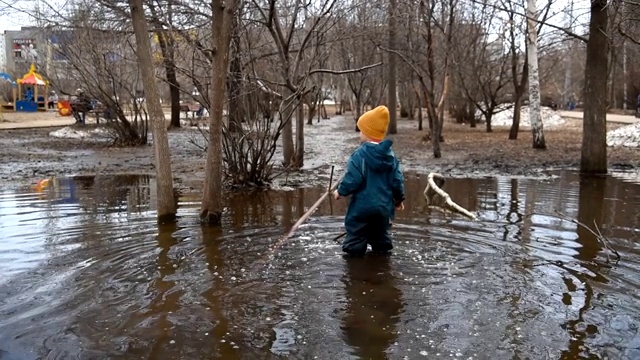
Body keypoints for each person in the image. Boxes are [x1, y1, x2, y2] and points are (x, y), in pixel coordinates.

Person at [333, 105, 405, 257]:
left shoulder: (359, 155)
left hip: (361, 208)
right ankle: (382, 261)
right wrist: (398, 200)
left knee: (356, 239)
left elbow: (353, 178)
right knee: (380, 235)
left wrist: (340, 191)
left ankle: (355, 267)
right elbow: (397, 180)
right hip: (383, 209)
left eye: (361, 130)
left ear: (367, 132)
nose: (360, 134)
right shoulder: (390, 157)